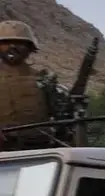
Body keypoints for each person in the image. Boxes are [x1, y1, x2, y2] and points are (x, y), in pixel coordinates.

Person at [0, 20, 60, 148]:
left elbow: (61, 117)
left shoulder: (44, 79)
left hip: (38, 149)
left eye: (19, 43)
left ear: (30, 47)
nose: (12, 47)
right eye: (5, 42)